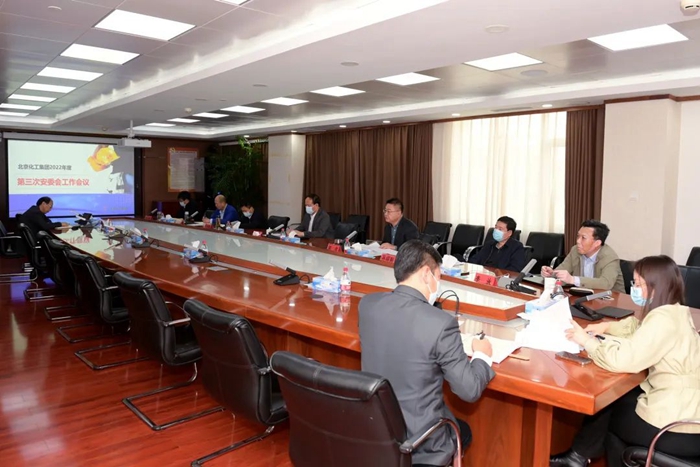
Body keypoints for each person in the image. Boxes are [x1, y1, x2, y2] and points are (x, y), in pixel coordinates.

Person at [551, 255, 700, 467]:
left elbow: (622, 360)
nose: (634, 289)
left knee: (609, 412)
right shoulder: (675, 312)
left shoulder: (663, 320)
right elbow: (638, 327)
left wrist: (586, 341)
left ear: (655, 288)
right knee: (621, 399)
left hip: (677, 426)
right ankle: (578, 456)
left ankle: (578, 457)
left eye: (638, 284)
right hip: (689, 414)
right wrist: (606, 327)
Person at [359, 240, 495, 467]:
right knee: (464, 430)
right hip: (421, 443)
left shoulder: (368, 304)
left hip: (376, 429)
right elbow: (469, 390)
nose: (437, 284)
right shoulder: (441, 324)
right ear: (425, 274)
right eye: (438, 277)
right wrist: (482, 356)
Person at [542, 220, 625, 293]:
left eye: (583, 238)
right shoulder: (575, 250)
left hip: (610, 300)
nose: (578, 241)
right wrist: (551, 273)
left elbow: (606, 283)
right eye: (578, 236)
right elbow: (563, 269)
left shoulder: (610, 257)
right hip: (583, 296)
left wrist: (572, 279)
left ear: (597, 243)